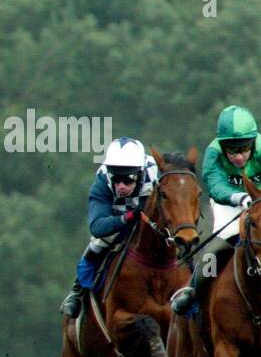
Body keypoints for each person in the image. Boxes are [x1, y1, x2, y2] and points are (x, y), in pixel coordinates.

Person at [171, 105, 261, 316]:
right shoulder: (213, 153)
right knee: (217, 247)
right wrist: (239, 197)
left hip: (259, 203)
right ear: (222, 146)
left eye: (245, 148)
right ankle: (193, 293)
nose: (239, 157)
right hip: (228, 203)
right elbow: (215, 184)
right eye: (231, 150)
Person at [59, 137, 159, 318]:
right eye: (116, 179)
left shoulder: (154, 173)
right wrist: (128, 217)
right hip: (118, 218)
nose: (121, 186)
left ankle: (191, 291)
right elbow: (97, 226)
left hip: (149, 220)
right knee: (97, 244)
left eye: (128, 179)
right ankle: (77, 292)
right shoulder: (102, 181)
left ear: (141, 173)